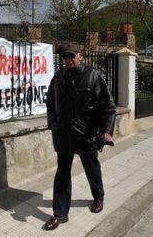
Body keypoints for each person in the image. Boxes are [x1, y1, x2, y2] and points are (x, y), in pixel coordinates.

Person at [44, 44, 116, 231]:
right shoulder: (58, 78)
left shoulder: (93, 76)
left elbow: (107, 106)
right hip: (63, 135)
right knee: (62, 174)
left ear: (80, 56)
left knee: (92, 168)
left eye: (71, 57)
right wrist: (53, 123)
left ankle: (98, 196)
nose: (67, 61)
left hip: (87, 135)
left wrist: (105, 130)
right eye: (64, 57)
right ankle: (60, 213)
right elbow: (50, 102)